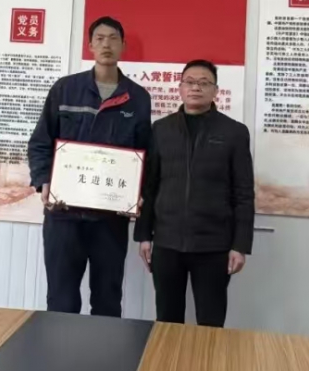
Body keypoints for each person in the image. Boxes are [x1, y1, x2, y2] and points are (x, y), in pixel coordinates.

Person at [28, 16, 151, 317]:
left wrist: (137, 194)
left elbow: (144, 155)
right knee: (62, 300)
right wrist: (44, 181)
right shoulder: (65, 89)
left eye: (113, 38)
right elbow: (40, 142)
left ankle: (102, 349)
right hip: (64, 216)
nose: (106, 44)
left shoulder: (138, 98)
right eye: (99, 38)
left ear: (123, 46)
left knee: (107, 301)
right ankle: (59, 348)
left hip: (110, 219)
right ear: (90, 45)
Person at [134, 60, 255, 328]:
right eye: (189, 82)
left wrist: (240, 245)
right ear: (180, 88)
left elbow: (244, 193)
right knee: (167, 322)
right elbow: (149, 186)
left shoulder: (234, 132)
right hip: (167, 242)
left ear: (215, 91)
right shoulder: (161, 129)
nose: (196, 88)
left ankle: (208, 360)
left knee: (210, 324)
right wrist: (144, 235)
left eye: (203, 83)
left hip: (214, 245)